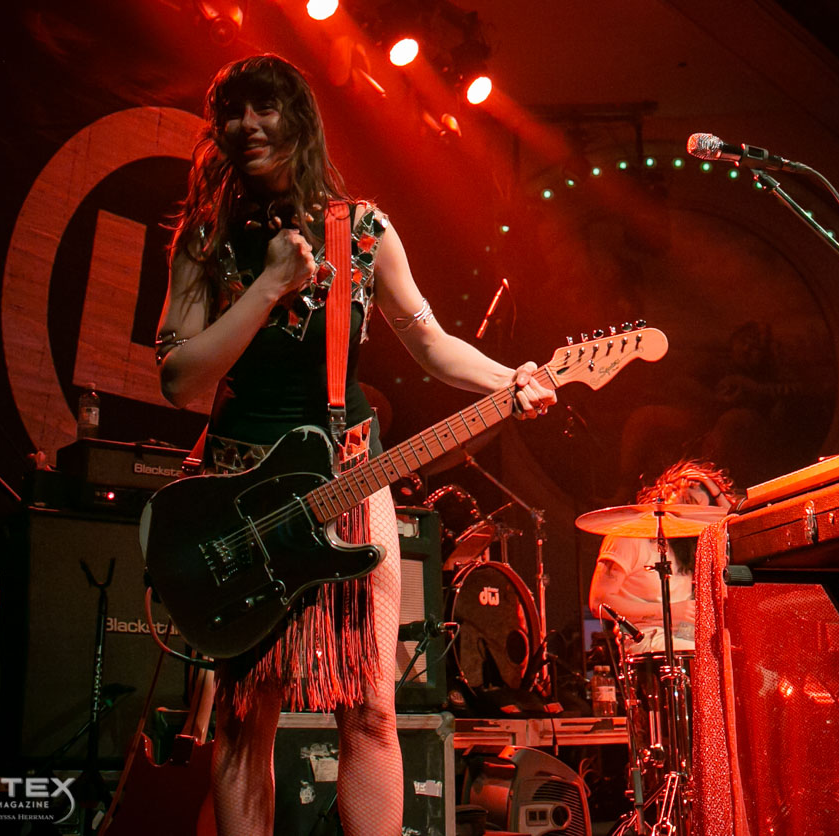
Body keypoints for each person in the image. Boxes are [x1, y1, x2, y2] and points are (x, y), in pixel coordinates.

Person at [153, 54, 555, 836]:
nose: (247, 126)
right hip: (240, 496)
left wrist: (515, 378)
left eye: (264, 108)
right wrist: (269, 285)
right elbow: (180, 380)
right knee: (245, 713)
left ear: (298, 121)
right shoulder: (205, 236)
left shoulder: (363, 230)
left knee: (369, 706)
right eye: (232, 112)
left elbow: (430, 342)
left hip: (348, 477)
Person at [588, 460, 736, 655]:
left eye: (697, 509)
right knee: (717, 659)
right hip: (649, 637)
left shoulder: (685, 546)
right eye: (688, 500)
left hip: (685, 634)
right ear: (667, 494)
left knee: (741, 656)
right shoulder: (629, 536)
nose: (688, 510)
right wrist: (669, 611)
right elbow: (599, 602)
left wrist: (713, 489)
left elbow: (733, 524)